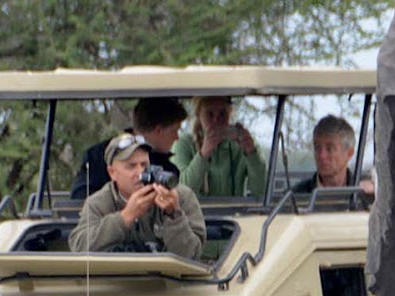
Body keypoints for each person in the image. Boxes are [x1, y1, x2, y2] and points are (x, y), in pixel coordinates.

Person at [69, 132, 206, 258]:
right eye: (131, 166)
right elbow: (79, 247)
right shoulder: (98, 203)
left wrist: (174, 214)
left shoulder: (180, 196)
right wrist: (125, 217)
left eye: (144, 165)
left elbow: (191, 256)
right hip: (117, 282)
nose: (141, 173)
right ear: (112, 173)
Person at [69, 98, 186, 200]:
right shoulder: (98, 156)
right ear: (158, 130)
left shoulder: (167, 170)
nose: (176, 138)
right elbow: (80, 200)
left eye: (144, 165)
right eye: (174, 131)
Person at [171, 96, 269, 200]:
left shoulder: (241, 145)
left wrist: (252, 153)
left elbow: (261, 191)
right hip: (195, 214)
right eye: (210, 114)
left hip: (235, 214)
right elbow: (180, 191)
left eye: (222, 114)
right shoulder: (184, 144)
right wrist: (203, 154)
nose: (216, 120)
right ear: (199, 116)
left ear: (229, 114)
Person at [291, 116, 375, 201]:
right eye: (317, 148)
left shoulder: (365, 195)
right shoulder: (294, 197)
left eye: (329, 149)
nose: (322, 156)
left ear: (349, 154)